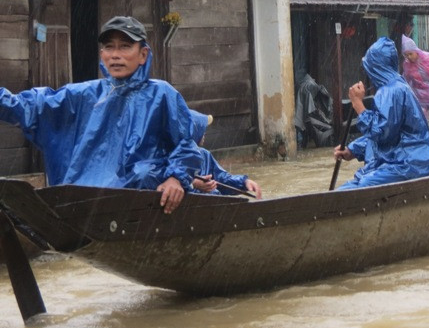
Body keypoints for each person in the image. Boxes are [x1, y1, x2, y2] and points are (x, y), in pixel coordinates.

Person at [0, 16, 200, 214]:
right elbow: (31, 106)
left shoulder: (162, 94)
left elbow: (186, 144)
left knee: (144, 172)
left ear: (143, 54)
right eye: (109, 47)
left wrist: (175, 178)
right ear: (102, 53)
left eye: (125, 46)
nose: (115, 55)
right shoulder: (85, 95)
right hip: (83, 200)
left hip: (139, 205)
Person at [333, 37, 429, 189]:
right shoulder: (393, 88)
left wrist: (358, 105)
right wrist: (352, 150)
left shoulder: (391, 91)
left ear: (375, 67)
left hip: (407, 164)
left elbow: (381, 133)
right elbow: (384, 137)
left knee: (364, 184)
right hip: (396, 160)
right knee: (348, 187)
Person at [188, 110, 262, 199]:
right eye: (202, 129)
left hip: (215, 205)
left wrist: (244, 182)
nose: (204, 133)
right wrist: (193, 184)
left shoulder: (205, 155)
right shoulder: (175, 159)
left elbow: (223, 179)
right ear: (194, 131)